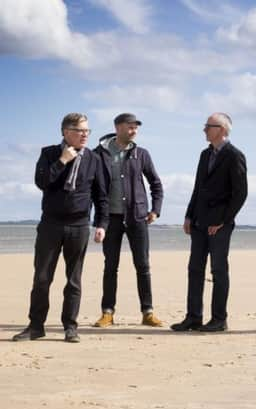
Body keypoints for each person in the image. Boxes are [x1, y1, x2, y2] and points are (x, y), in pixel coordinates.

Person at [13, 113, 108, 343]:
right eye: (80, 130)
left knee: (74, 280)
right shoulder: (49, 153)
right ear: (66, 132)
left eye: (87, 130)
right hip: (50, 224)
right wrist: (62, 160)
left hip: (79, 225)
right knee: (42, 278)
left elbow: (101, 195)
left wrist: (102, 224)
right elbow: (41, 182)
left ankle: (70, 327)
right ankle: (36, 327)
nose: (85, 134)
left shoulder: (94, 159)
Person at [171, 112, 247, 333]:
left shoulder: (235, 155)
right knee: (195, 269)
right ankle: (193, 317)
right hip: (199, 221)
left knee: (218, 270)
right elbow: (198, 188)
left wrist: (224, 220)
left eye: (208, 126)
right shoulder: (205, 155)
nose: (204, 130)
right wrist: (188, 215)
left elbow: (240, 193)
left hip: (219, 223)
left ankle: (219, 319)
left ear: (222, 129)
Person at [92, 113, 164, 328]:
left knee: (142, 266)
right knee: (110, 266)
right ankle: (107, 312)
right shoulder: (98, 154)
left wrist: (156, 210)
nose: (133, 131)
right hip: (110, 219)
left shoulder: (141, 154)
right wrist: (95, 221)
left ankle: (148, 312)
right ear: (117, 127)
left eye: (135, 128)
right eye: (129, 127)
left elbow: (156, 184)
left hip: (137, 217)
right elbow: (91, 188)